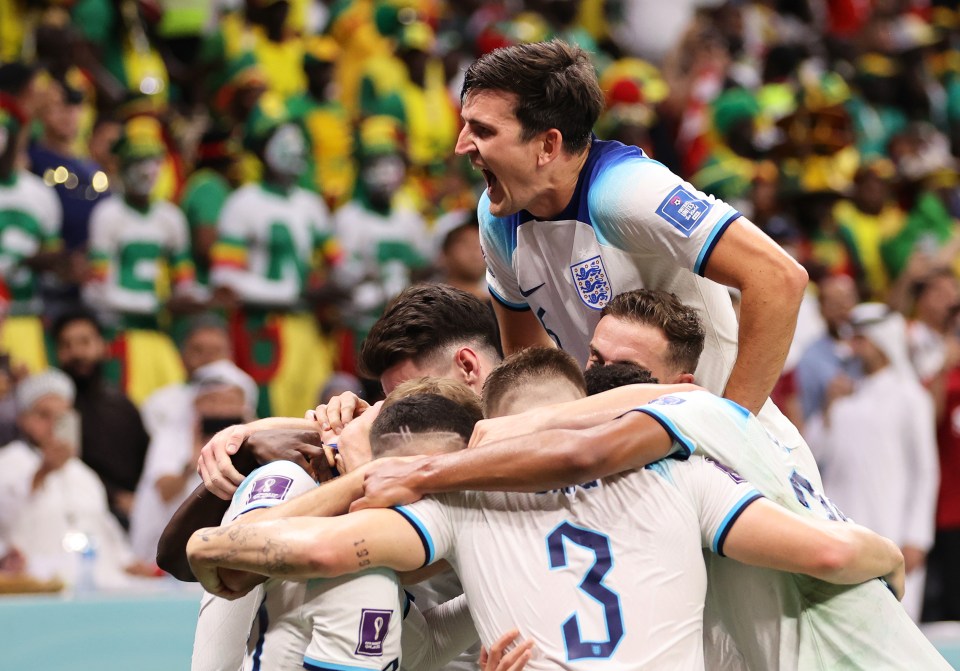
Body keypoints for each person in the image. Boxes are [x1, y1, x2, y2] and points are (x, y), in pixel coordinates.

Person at [187, 356, 910, 670]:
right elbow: (828, 554)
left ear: (495, 427)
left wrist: (213, 544)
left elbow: (314, 552)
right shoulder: (684, 475)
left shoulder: (460, 500)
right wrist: (892, 557)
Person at [352, 291, 948, 669]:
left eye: (624, 370)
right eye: (593, 360)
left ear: (675, 384)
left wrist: (420, 466)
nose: (601, 379)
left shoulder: (685, 432)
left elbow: (583, 450)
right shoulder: (735, 426)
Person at [456, 40, 810, 465]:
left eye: (483, 130)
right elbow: (530, 370)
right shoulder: (498, 216)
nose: (462, 145)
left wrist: (730, 428)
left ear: (547, 146)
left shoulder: (625, 192)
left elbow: (780, 277)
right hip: (628, 465)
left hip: (735, 465)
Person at [804, 303, 939, 621]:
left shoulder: (910, 397)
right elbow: (812, 455)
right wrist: (828, 407)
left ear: (881, 341)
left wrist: (917, 537)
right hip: (843, 531)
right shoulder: (844, 395)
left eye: (862, 339)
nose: (854, 347)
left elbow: (926, 471)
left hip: (893, 532)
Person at [0, 369, 157, 588]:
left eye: (61, 416)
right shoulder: (8, 461)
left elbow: (104, 524)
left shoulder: (83, 473)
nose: (53, 423)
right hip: (36, 584)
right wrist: (41, 473)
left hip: (96, 583)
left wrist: (127, 560)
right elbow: (6, 514)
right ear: (24, 420)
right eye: (44, 415)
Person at [54, 309, 150, 528]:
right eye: (66, 345)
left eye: (84, 342)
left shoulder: (123, 406)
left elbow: (146, 462)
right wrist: (116, 496)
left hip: (131, 512)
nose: (76, 353)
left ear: (102, 346)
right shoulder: (55, 410)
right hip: (75, 511)